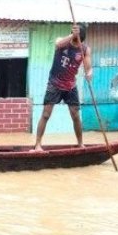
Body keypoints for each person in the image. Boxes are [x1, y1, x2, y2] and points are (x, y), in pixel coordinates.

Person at [32, 23, 93, 152]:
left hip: (70, 86)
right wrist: (72, 35)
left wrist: (89, 74)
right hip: (54, 84)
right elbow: (58, 44)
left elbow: (89, 68)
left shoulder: (85, 49)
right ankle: (38, 145)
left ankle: (80, 144)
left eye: (77, 38)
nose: (75, 43)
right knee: (46, 114)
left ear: (81, 38)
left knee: (75, 115)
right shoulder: (63, 42)